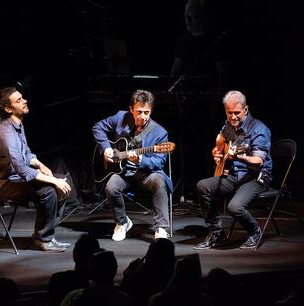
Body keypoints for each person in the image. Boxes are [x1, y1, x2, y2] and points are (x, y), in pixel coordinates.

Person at [0, 87, 72, 252]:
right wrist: (54, 181)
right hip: (3, 184)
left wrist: (40, 165)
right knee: (48, 190)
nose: (24, 100)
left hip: (15, 178)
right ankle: (43, 239)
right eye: (18, 100)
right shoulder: (6, 132)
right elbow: (22, 169)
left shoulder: (18, 125)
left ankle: (46, 232)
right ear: (8, 108)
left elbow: (26, 153)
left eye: (22, 97)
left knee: (64, 180)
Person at [193, 90, 272, 250]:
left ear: (246, 110)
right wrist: (217, 153)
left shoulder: (259, 129)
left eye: (237, 113)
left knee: (234, 207)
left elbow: (258, 161)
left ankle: (255, 231)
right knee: (203, 186)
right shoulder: (229, 125)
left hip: (256, 176)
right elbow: (220, 145)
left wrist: (240, 158)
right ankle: (216, 231)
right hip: (235, 174)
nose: (233, 117)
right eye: (229, 113)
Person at [92, 89, 172, 241]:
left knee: (159, 182)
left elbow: (159, 162)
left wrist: (140, 160)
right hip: (123, 171)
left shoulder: (160, 132)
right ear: (131, 109)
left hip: (146, 173)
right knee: (111, 187)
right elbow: (98, 127)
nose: (143, 117)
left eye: (147, 112)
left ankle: (161, 228)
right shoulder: (121, 117)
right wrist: (106, 148)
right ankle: (122, 222)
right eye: (139, 112)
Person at [170, 0, 227, 90]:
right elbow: (175, 69)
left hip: (208, 94)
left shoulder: (215, 41)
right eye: (186, 16)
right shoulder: (181, 40)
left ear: (202, 17)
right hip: (184, 95)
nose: (188, 20)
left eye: (192, 17)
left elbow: (222, 74)